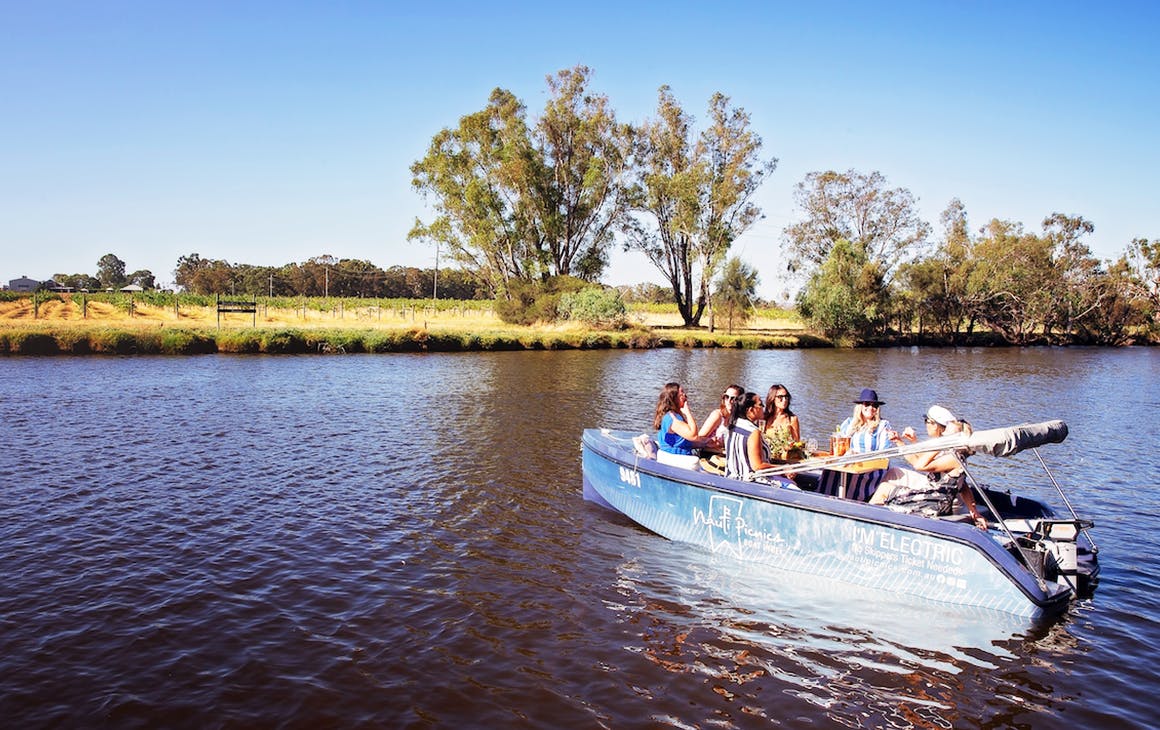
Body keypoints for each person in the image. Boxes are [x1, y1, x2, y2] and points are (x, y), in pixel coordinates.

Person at [868, 405, 987, 529]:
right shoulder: (952, 454)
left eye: (927, 422)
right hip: (936, 498)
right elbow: (963, 486)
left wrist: (939, 444)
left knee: (884, 489)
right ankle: (876, 521)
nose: (925, 425)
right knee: (888, 484)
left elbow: (919, 465)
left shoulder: (953, 457)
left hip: (934, 503)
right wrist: (975, 513)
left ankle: (868, 523)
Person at [724, 391, 784, 482]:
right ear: (750, 410)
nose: (763, 408)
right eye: (760, 405)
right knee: (794, 486)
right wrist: (784, 469)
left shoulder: (731, 425)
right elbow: (757, 466)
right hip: (751, 481)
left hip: (731, 478)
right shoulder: (753, 432)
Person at [653, 382, 701, 469]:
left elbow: (685, 440)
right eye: (681, 393)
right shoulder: (673, 419)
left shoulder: (673, 415)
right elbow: (693, 435)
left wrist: (707, 442)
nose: (685, 395)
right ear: (674, 398)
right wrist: (687, 412)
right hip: (678, 461)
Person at [838, 388, 894, 453]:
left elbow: (884, 452)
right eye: (867, 404)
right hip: (850, 460)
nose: (870, 408)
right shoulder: (849, 423)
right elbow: (840, 446)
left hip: (872, 461)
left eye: (874, 405)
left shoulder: (883, 425)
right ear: (860, 406)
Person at [698, 384, 744, 453]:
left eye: (733, 398)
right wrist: (710, 442)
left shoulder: (740, 419)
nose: (729, 401)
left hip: (729, 455)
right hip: (710, 455)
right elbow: (698, 440)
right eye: (726, 397)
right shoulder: (717, 415)